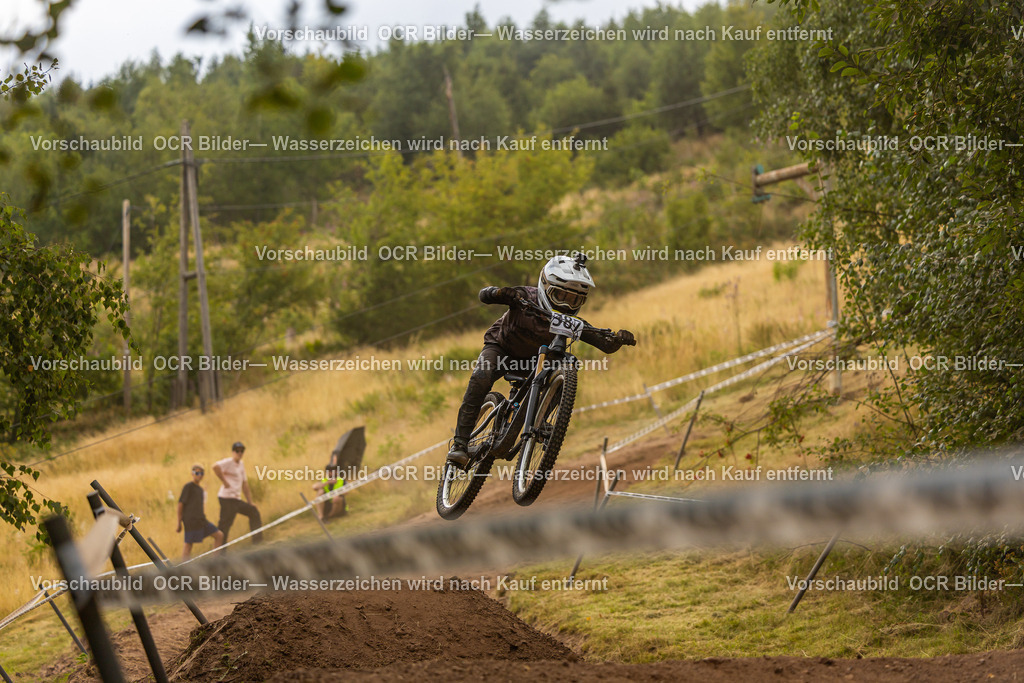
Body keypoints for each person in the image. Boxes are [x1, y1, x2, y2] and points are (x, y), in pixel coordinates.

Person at [447, 254, 636, 467]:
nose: (566, 304)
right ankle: (459, 444)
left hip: (534, 363)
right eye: (560, 295)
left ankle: (540, 419)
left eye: (574, 300)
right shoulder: (524, 297)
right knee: (481, 377)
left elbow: (606, 345)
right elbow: (484, 295)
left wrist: (619, 340)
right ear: (545, 286)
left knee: (567, 364)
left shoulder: (572, 323)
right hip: (501, 349)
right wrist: (499, 293)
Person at [213, 441, 264, 543]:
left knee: (253, 512)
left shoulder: (241, 464)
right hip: (226, 498)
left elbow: (244, 484)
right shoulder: (228, 462)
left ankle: (257, 542)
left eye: (241, 451)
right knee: (225, 524)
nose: (239, 453)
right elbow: (215, 467)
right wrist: (224, 481)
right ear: (233, 452)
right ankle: (220, 550)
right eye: (237, 451)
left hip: (236, 499)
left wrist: (250, 502)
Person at [176, 464, 224, 560]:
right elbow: (180, 504)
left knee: (219, 535)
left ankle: (215, 561)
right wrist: (179, 522)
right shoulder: (188, 487)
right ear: (192, 474)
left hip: (201, 520)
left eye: (201, 473)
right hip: (191, 520)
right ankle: (183, 566)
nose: (199, 475)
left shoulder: (200, 490)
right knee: (188, 544)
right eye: (197, 473)